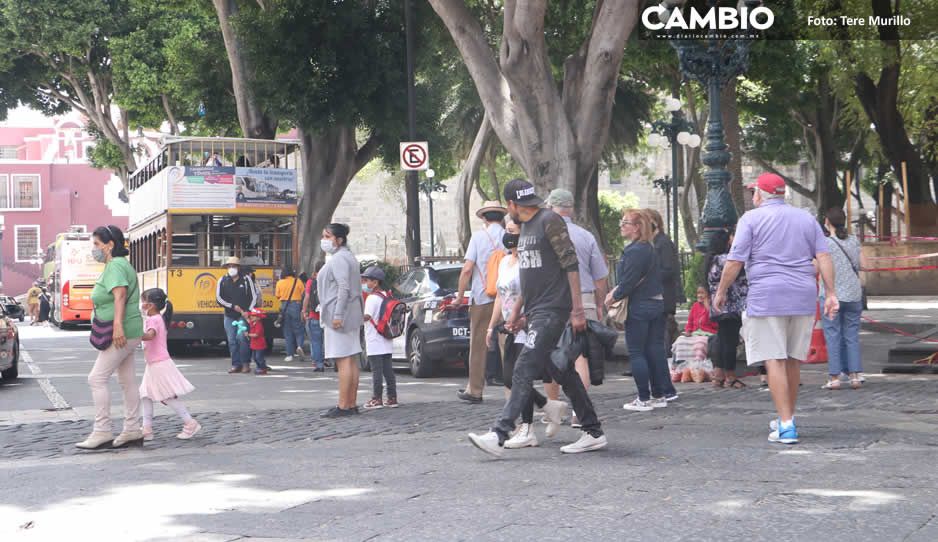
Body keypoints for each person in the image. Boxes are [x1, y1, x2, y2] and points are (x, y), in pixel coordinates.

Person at [468, 179, 606, 457]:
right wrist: (520, 311)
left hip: (554, 310)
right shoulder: (527, 227)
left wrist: (577, 309)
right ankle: (593, 431)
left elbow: (571, 264)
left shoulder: (549, 221)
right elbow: (530, 277)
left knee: (524, 366)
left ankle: (499, 432)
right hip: (537, 311)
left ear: (511, 204)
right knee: (561, 370)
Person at [714, 173, 838, 445]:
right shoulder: (806, 218)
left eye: (754, 191)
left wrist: (721, 291)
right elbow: (824, 256)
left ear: (761, 194)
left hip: (767, 296)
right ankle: (787, 417)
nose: (752, 196)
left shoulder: (751, 219)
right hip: (802, 295)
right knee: (793, 359)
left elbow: (735, 260)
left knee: (774, 359)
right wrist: (830, 293)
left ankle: (785, 424)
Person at [486, 218, 568, 448]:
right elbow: (500, 296)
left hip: (527, 324)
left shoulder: (530, 262)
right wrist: (493, 325)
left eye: (512, 231)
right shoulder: (504, 262)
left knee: (521, 376)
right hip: (510, 325)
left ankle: (527, 428)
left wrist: (522, 317)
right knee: (510, 377)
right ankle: (549, 405)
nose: (507, 235)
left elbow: (533, 294)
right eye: (507, 231)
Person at [544, 189, 609, 427]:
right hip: (584, 299)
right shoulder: (586, 236)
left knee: (550, 353)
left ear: (551, 208)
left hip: (553, 301)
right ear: (570, 209)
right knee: (581, 357)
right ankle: (578, 412)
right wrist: (600, 304)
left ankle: (552, 407)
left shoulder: (545, 235)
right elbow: (600, 276)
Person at [77, 225, 145, 450]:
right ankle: (133, 428)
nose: (94, 249)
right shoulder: (118, 265)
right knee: (127, 381)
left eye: (96, 244)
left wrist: (117, 327)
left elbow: (120, 296)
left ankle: (102, 431)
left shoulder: (115, 265)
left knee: (96, 378)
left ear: (110, 245)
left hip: (122, 332)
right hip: (129, 329)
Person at [606, 210, 671, 412]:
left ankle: (643, 397)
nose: (621, 226)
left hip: (639, 305)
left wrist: (613, 297)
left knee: (636, 352)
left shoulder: (634, 251)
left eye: (625, 223)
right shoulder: (649, 248)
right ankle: (659, 394)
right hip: (655, 303)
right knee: (653, 349)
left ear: (637, 227)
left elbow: (628, 281)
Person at [453, 201, 506, 403]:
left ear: (484, 218)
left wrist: (459, 296)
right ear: (501, 218)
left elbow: (467, 269)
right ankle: (516, 389)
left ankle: (475, 390)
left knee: (478, 344)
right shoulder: (509, 236)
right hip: (506, 298)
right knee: (507, 345)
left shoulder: (478, 237)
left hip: (483, 297)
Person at [138, 288, 201, 441]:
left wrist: (134, 334)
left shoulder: (154, 319)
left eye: (143, 301)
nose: (142, 304)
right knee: (145, 395)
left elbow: (150, 335)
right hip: (154, 363)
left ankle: (190, 423)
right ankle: (147, 429)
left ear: (151, 305)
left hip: (159, 363)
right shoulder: (157, 318)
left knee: (167, 397)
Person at [318, 223, 364, 418]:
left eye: (327, 236)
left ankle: (344, 405)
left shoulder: (338, 259)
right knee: (351, 359)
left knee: (343, 360)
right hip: (351, 313)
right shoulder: (349, 257)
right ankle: (350, 403)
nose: (324, 240)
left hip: (340, 314)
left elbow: (343, 287)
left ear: (338, 240)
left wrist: (337, 315)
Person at [819, 208, 865, 390]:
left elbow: (815, 268)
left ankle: (834, 377)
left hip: (832, 295)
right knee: (851, 335)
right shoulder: (854, 240)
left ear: (827, 222)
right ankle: (855, 376)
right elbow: (864, 265)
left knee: (832, 335)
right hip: (853, 294)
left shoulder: (823, 243)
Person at [706, 228, 749, 388]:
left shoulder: (711, 259)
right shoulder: (724, 259)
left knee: (723, 339)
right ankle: (730, 375)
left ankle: (719, 374)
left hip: (719, 307)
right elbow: (739, 266)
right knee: (729, 342)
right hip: (729, 306)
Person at [645, 209, 681, 401]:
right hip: (655, 297)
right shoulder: (652, 244)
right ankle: (661, 386)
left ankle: (664, 386)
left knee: (658, 343)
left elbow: (669, 270)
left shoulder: (663, 243)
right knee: (655, 343)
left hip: (662, 298)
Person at [361, 266, 399, 409]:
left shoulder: (372, 298)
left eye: (367, 280)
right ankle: (392, 397)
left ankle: (376, 398)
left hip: (374, 339)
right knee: (388, 370)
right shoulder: (386, 296)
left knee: (376, 370)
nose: (365, 284)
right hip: (386, 338)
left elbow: (367, 316)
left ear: (375, 282)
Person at [216, 257, 258, 374]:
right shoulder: (222, 280)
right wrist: (232, 306)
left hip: (243, 316)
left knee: (242, 338)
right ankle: (236, 364)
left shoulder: (246, 279)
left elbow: (254, 297)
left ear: (238, 268)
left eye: (233, 266)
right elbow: (219, 298)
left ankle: (245, 364)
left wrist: (248, 311)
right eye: (229, 266)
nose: (231, 268)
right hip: (229, 315)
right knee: (232, 340)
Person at [670, 286, 718, 367]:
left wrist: (708, 309)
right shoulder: (695, 306)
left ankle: (697, 367)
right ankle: (681, 366)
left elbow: (716, 325)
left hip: (708, 334)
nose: (699, 295)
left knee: (699, 344)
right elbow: (690, 322)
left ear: (708, 295)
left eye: (702, 293)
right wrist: (688, 331)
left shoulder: (713, 306)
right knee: (680, 341)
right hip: (694, 334)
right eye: (698, 293)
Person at [275, 268, 306, 362]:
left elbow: (277, 295)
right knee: (299, 329)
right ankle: (299, 346)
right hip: (296, 305)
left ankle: (289, 355)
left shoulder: (280, 282)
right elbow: (303, 293)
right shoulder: (298, 281)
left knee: (287, 331)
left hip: (284, 306)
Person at [303, 262, 327, 372]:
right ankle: (333, 361)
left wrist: (304, 311)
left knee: (316, 341)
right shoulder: (329, 281)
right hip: (328, 317)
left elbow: (307, 297)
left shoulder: (311, 282)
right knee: (327, 341)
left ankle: (319, 364)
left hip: (315, 316)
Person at [245, 309, 271, 375]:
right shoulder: (252, 322)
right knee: (254, 357)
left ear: (258, 318)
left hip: (260, 345)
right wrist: (245, 316)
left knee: (259, 357)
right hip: (254, 344)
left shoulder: (259, 325)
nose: (251, 317)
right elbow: (248, 321)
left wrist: (248, 334)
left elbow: (256, 335)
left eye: (254, 316)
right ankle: (259, 367)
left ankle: (263, 368)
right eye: (251, 316)